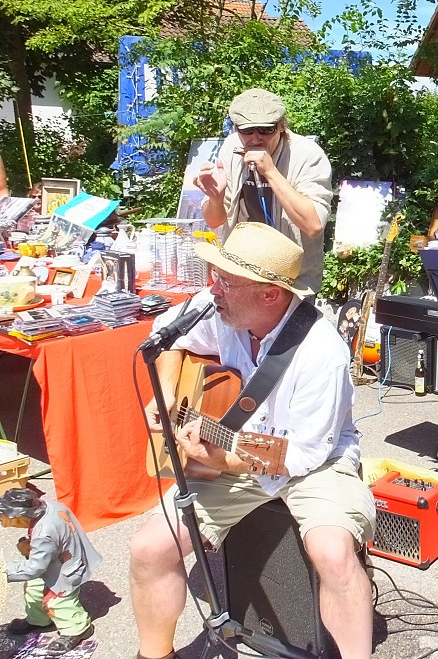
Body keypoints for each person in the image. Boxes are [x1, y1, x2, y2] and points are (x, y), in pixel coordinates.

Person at [128, 223, 376, 659]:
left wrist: (223, 460)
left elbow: (302, 454)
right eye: (215, 275)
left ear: (269, 294)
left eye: (226, 280)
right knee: (149, 549)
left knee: (333, 554)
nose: (213, 287)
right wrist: (167, 389)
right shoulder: (219, 310)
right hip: (236, 451)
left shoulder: (322, 353)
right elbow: (167, 331)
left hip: (315, 462)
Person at [192, 88, 332, 294]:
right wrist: (216, 198)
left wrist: (271, 172)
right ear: (236, 128)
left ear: (281, 126)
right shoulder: (231, 148)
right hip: (242, 274)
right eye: (247, 131)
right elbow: (215, 221)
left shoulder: (307, 155)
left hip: (291, 281)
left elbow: (313, 225)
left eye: (266, 130)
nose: (256, 138)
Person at [1, 488, 101, 655]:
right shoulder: (50, 506)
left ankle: (77, 629)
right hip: (58, 555)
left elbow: (35, 568)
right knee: (33, 588)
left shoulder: (43, 533)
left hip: (66, 567)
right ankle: (39, 619)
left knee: (57, 599)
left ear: (21, 516)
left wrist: (4, 573)